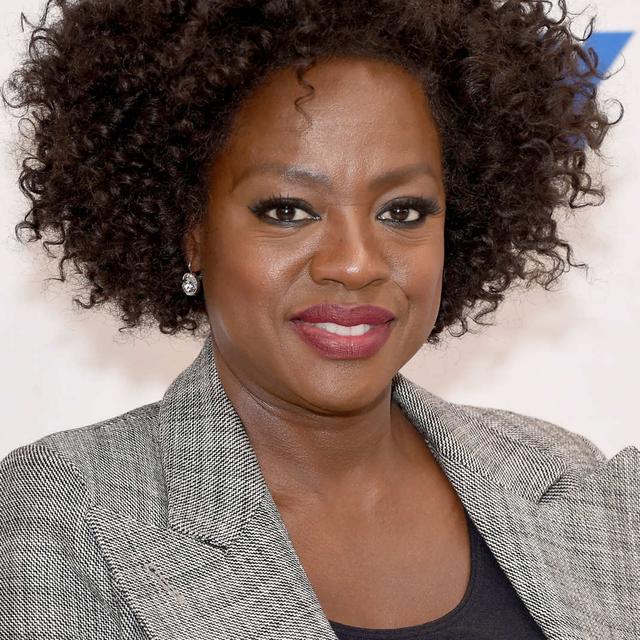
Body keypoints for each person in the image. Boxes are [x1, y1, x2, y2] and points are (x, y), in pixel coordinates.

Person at [1, 0, 638, 638]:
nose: (356, 264)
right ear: (192, 232)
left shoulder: (568, 482)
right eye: (288, 210)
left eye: (403, 212)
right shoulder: (59, 520)